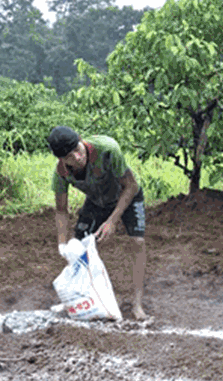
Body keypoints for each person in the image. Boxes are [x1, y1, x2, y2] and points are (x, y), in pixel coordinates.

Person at [48, 125, 148, 320]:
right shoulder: (61, 174)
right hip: (96, 201)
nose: (77, 158)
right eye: (69, 156)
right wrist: (62, 243)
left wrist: (112, 220)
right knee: (77, 249)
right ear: (61, 159)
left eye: (77, 150)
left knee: (137, 242)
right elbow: (61, 210)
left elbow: (131, 185)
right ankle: (78, 298)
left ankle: (137, 303)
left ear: (81, 140)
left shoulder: (108, 150)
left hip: (126, 194)